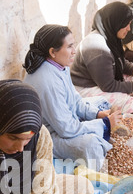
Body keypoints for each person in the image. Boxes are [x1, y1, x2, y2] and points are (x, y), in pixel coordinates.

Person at [23, 24, 122, 172]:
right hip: (48, 135)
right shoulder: (48, 81)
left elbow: (75, 100)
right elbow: (66, 129)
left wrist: (98, 115)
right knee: (91, 144)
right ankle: (98, 176)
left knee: (101, 103)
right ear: (52, 52)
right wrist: (104, 124)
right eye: (69, 47)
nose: (74, 51)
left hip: (62, 122)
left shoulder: (58, 65)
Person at [70, 2, 133, 108]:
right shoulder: (98, 48)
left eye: (130, 24)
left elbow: (118, 62)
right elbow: (108, 86)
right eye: (126, 24)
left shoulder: (111, 36)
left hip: (100, 82)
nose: (129, 29)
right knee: (130, 103)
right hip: (85, 89)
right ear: (116, 22)